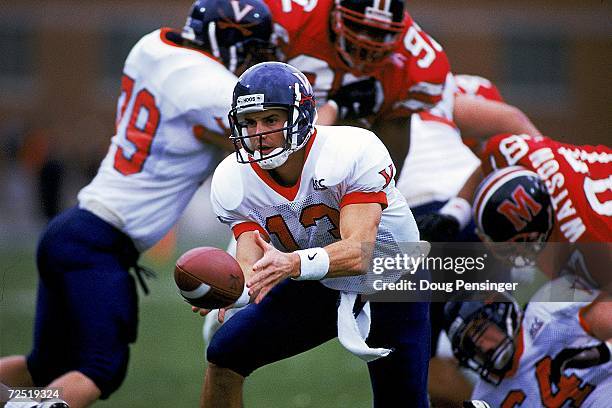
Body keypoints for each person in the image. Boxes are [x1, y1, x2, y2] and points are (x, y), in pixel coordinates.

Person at [0, 1, 275, 407]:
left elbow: (210, 128)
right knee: (99, 369)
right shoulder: (206, 85)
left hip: (73, 229)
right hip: (100, 244)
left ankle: (19, 398)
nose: (253, 59)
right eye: (250, 48)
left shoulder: (153, 46)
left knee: (45, 366)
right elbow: (278, 139)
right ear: (227, 39)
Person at [200, 61, 429, 407]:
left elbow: (360, 253)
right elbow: (249, 261)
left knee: (402, 402)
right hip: (318, 281)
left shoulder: (351, 151)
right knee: (225, 354)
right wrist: (232, 289)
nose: (257, 133)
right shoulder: (233, 180)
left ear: (303, 116)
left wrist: (291, 264)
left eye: (271, 120)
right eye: (248, 123)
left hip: (391, 277)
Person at [444, 278, 612, 407]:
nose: (481, 346)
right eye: (470, 345)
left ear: (499, 310)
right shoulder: (485, 399)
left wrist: (601, 352)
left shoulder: (547, 310)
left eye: (480, 330)